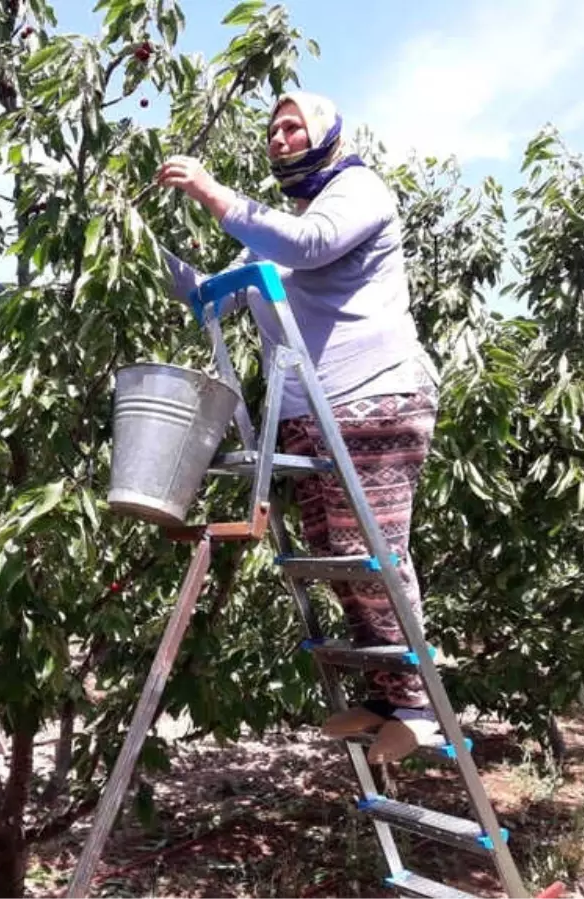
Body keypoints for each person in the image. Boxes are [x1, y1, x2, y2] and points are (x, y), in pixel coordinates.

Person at [155, 92, 441, 764]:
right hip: (310, 416)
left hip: (375, 398)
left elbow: (311, 246)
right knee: (341, 558)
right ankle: (387, 692)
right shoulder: (278, 241)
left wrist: (209, 190)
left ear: (328, 134)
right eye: (274, 129)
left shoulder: (357, 189)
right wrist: (130, 244)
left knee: (375, 551)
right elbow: (207, 290)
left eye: (294, 126)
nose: (280, 137)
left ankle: (420, 707)